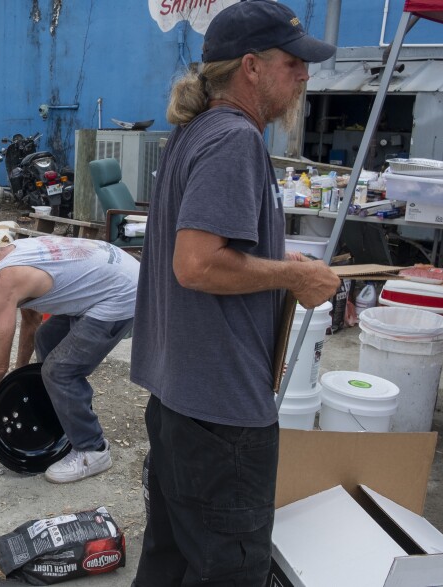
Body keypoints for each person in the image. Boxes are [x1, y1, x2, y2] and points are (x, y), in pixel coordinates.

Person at [130, 1, 341, 585]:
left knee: (170, 561)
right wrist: (294, 277)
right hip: (221, 414)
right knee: (229, 569)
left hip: (181, 401)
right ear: (252, 66)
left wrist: (277, 262)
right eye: (294, 62)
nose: (304, 75)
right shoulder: (233, 140)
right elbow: (196, 265)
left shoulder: (197, 132)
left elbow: (209, 251)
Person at [0, 232, 139, 483]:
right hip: (117, 272)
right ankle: (61, 406)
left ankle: (92, 450)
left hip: (122, 293)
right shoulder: (13, 251)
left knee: (59, 371)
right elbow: (31, 323)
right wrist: (20, 378)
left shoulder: (5, 281)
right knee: (47, 339)